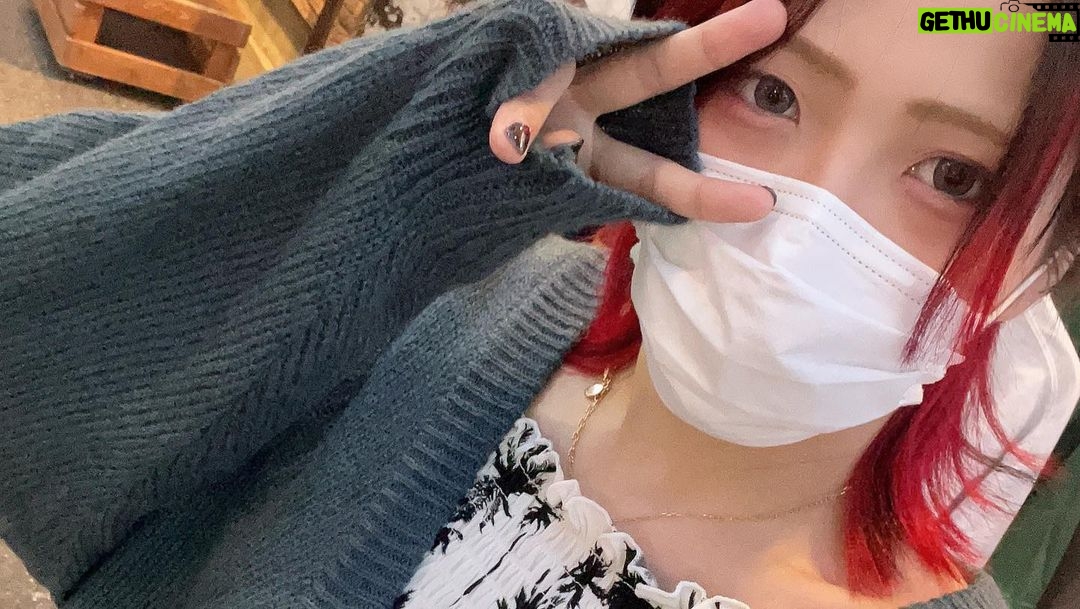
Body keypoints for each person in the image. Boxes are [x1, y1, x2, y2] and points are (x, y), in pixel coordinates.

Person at [0, 0, 1076, 608]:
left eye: (956, 177)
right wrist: (410, 153)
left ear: (1053, 255)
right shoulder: (427, 316)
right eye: (772, 93)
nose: (798, 219)